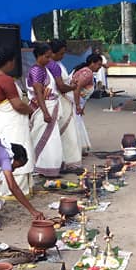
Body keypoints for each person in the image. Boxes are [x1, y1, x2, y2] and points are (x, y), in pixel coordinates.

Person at [0, 47, 34, 197]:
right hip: (11, 121)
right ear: (8, 62)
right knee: (15, 150)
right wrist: (31, 109)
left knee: (1, 150)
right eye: (13, 61)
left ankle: (3, 185)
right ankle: (15, 188)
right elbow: (17, 105)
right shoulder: (5, 79)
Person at [27, 42, 62, 178]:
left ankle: (50, 167)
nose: (49, 60)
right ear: (39, 56)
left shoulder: (44, 69)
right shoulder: (36, 70)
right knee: (45, 139)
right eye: (47, 57)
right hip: (43, 108)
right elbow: (38, 93)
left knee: (52, 140)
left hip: (50, 105)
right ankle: (41, 167)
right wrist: (46, 113)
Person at [47, 39, 81, 173]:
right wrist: (72, 86)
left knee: (69, 131)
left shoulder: (58, 64)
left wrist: (70, 83)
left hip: (65, 99)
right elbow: (60, 86)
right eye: (60, 54)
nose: (63, 56)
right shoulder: (52, 65)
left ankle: (68, 160)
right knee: (65, 132)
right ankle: (66, 161)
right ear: (52, 53)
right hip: (60, 100)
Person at [70, 53, 104, 155]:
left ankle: (77, 148)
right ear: (92, 63)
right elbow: (76, 89)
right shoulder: (87, 73)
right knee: (76, 125)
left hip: (78, 101)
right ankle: (75, 150)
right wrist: (77, 106)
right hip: (74, 101)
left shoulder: (85, 71)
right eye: (98, 65)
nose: (99, 68)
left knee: (77, 124)